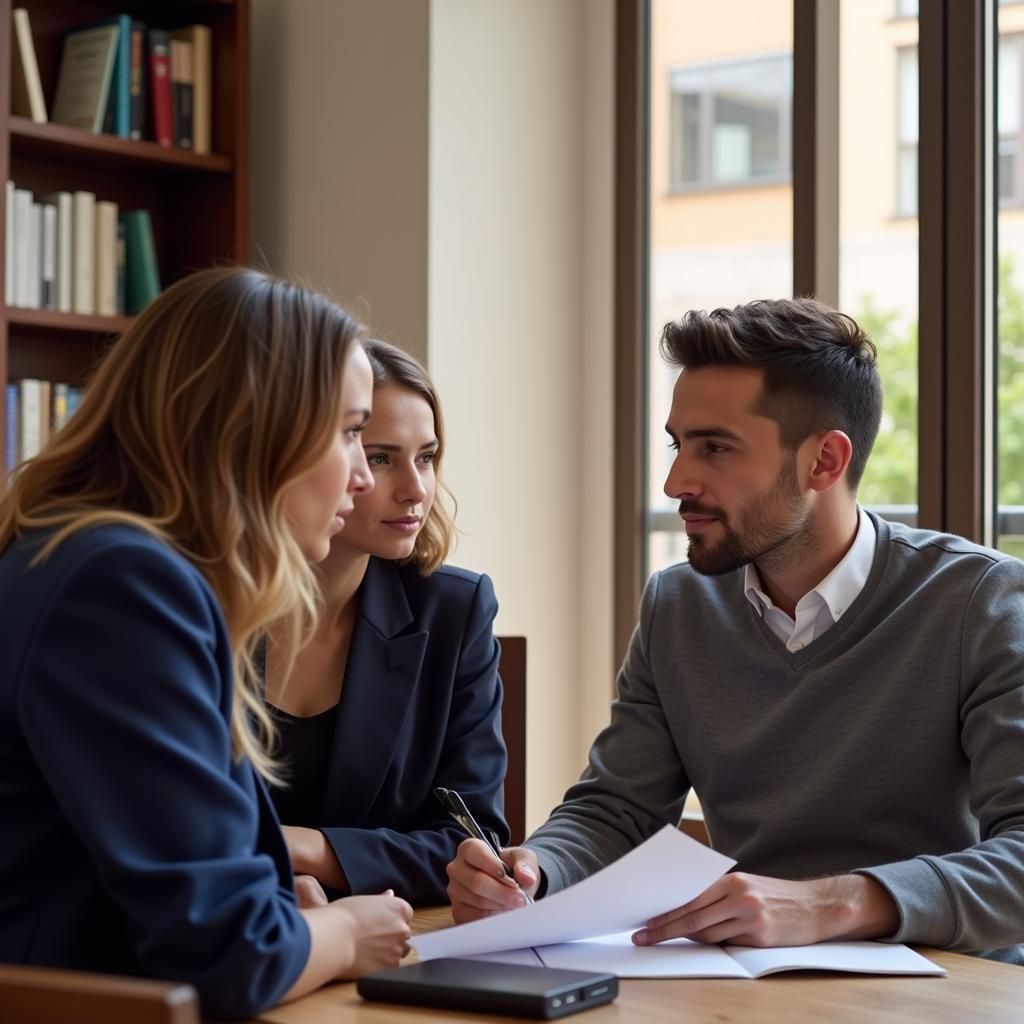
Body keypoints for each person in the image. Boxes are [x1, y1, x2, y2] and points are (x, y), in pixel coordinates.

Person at [446, 297, 1024, 964]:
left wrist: (831, 903)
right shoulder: (679, 604)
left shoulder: (980, 601)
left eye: (715, 447)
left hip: (949, 990)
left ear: (824, 462)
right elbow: (618, 811)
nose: (674, 480)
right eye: (678, 444)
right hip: (746, 983)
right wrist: (533, 873)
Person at [0, 268, 413, 1019]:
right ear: (257, 428)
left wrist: (274, 907)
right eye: (351, 432)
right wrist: (346, 931)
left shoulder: (81, 556)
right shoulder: (125, 585)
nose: (361, 477)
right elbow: (229, 957)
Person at [265, 338, 508, 907]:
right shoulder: (203, 604)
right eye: (380, 457)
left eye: (425, 457)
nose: (416, 489)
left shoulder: (455, 611)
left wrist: (301, 849)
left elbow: (475, 845)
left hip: (388, 942)